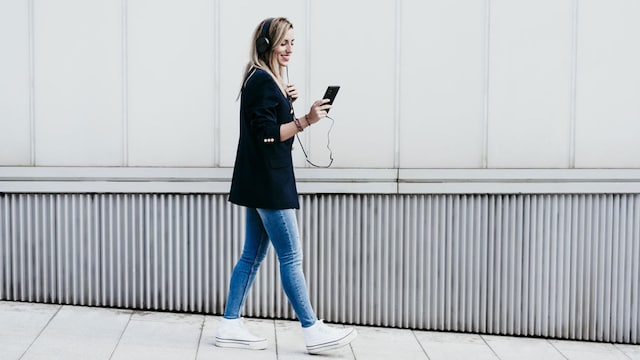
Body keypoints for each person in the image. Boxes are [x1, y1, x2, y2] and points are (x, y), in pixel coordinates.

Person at [215, 17, 357, 354]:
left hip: (259, 179)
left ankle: (230, 323)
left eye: (293, 42)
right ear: (266, 45)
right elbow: (267, 135)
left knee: (252, 254)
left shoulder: (263, 80)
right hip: (269, 182)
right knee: (291, 256)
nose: (289, 49)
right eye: (283, 43)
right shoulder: (262, 82)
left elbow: (266, 125)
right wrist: (305, 119)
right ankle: (312, 330)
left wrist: (285, 99)